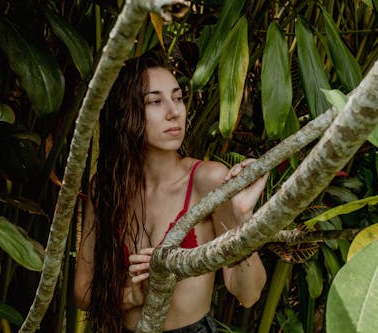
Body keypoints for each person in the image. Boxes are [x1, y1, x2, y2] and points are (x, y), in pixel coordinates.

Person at [74, 50, 267, 333]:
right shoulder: (106, 187)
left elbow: (248, 295)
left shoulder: (208, 180)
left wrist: (242, 221)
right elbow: (82, 292)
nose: (174, 111)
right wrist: (132, 296)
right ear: (125, 114)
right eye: (155, 101)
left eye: (177, 98)